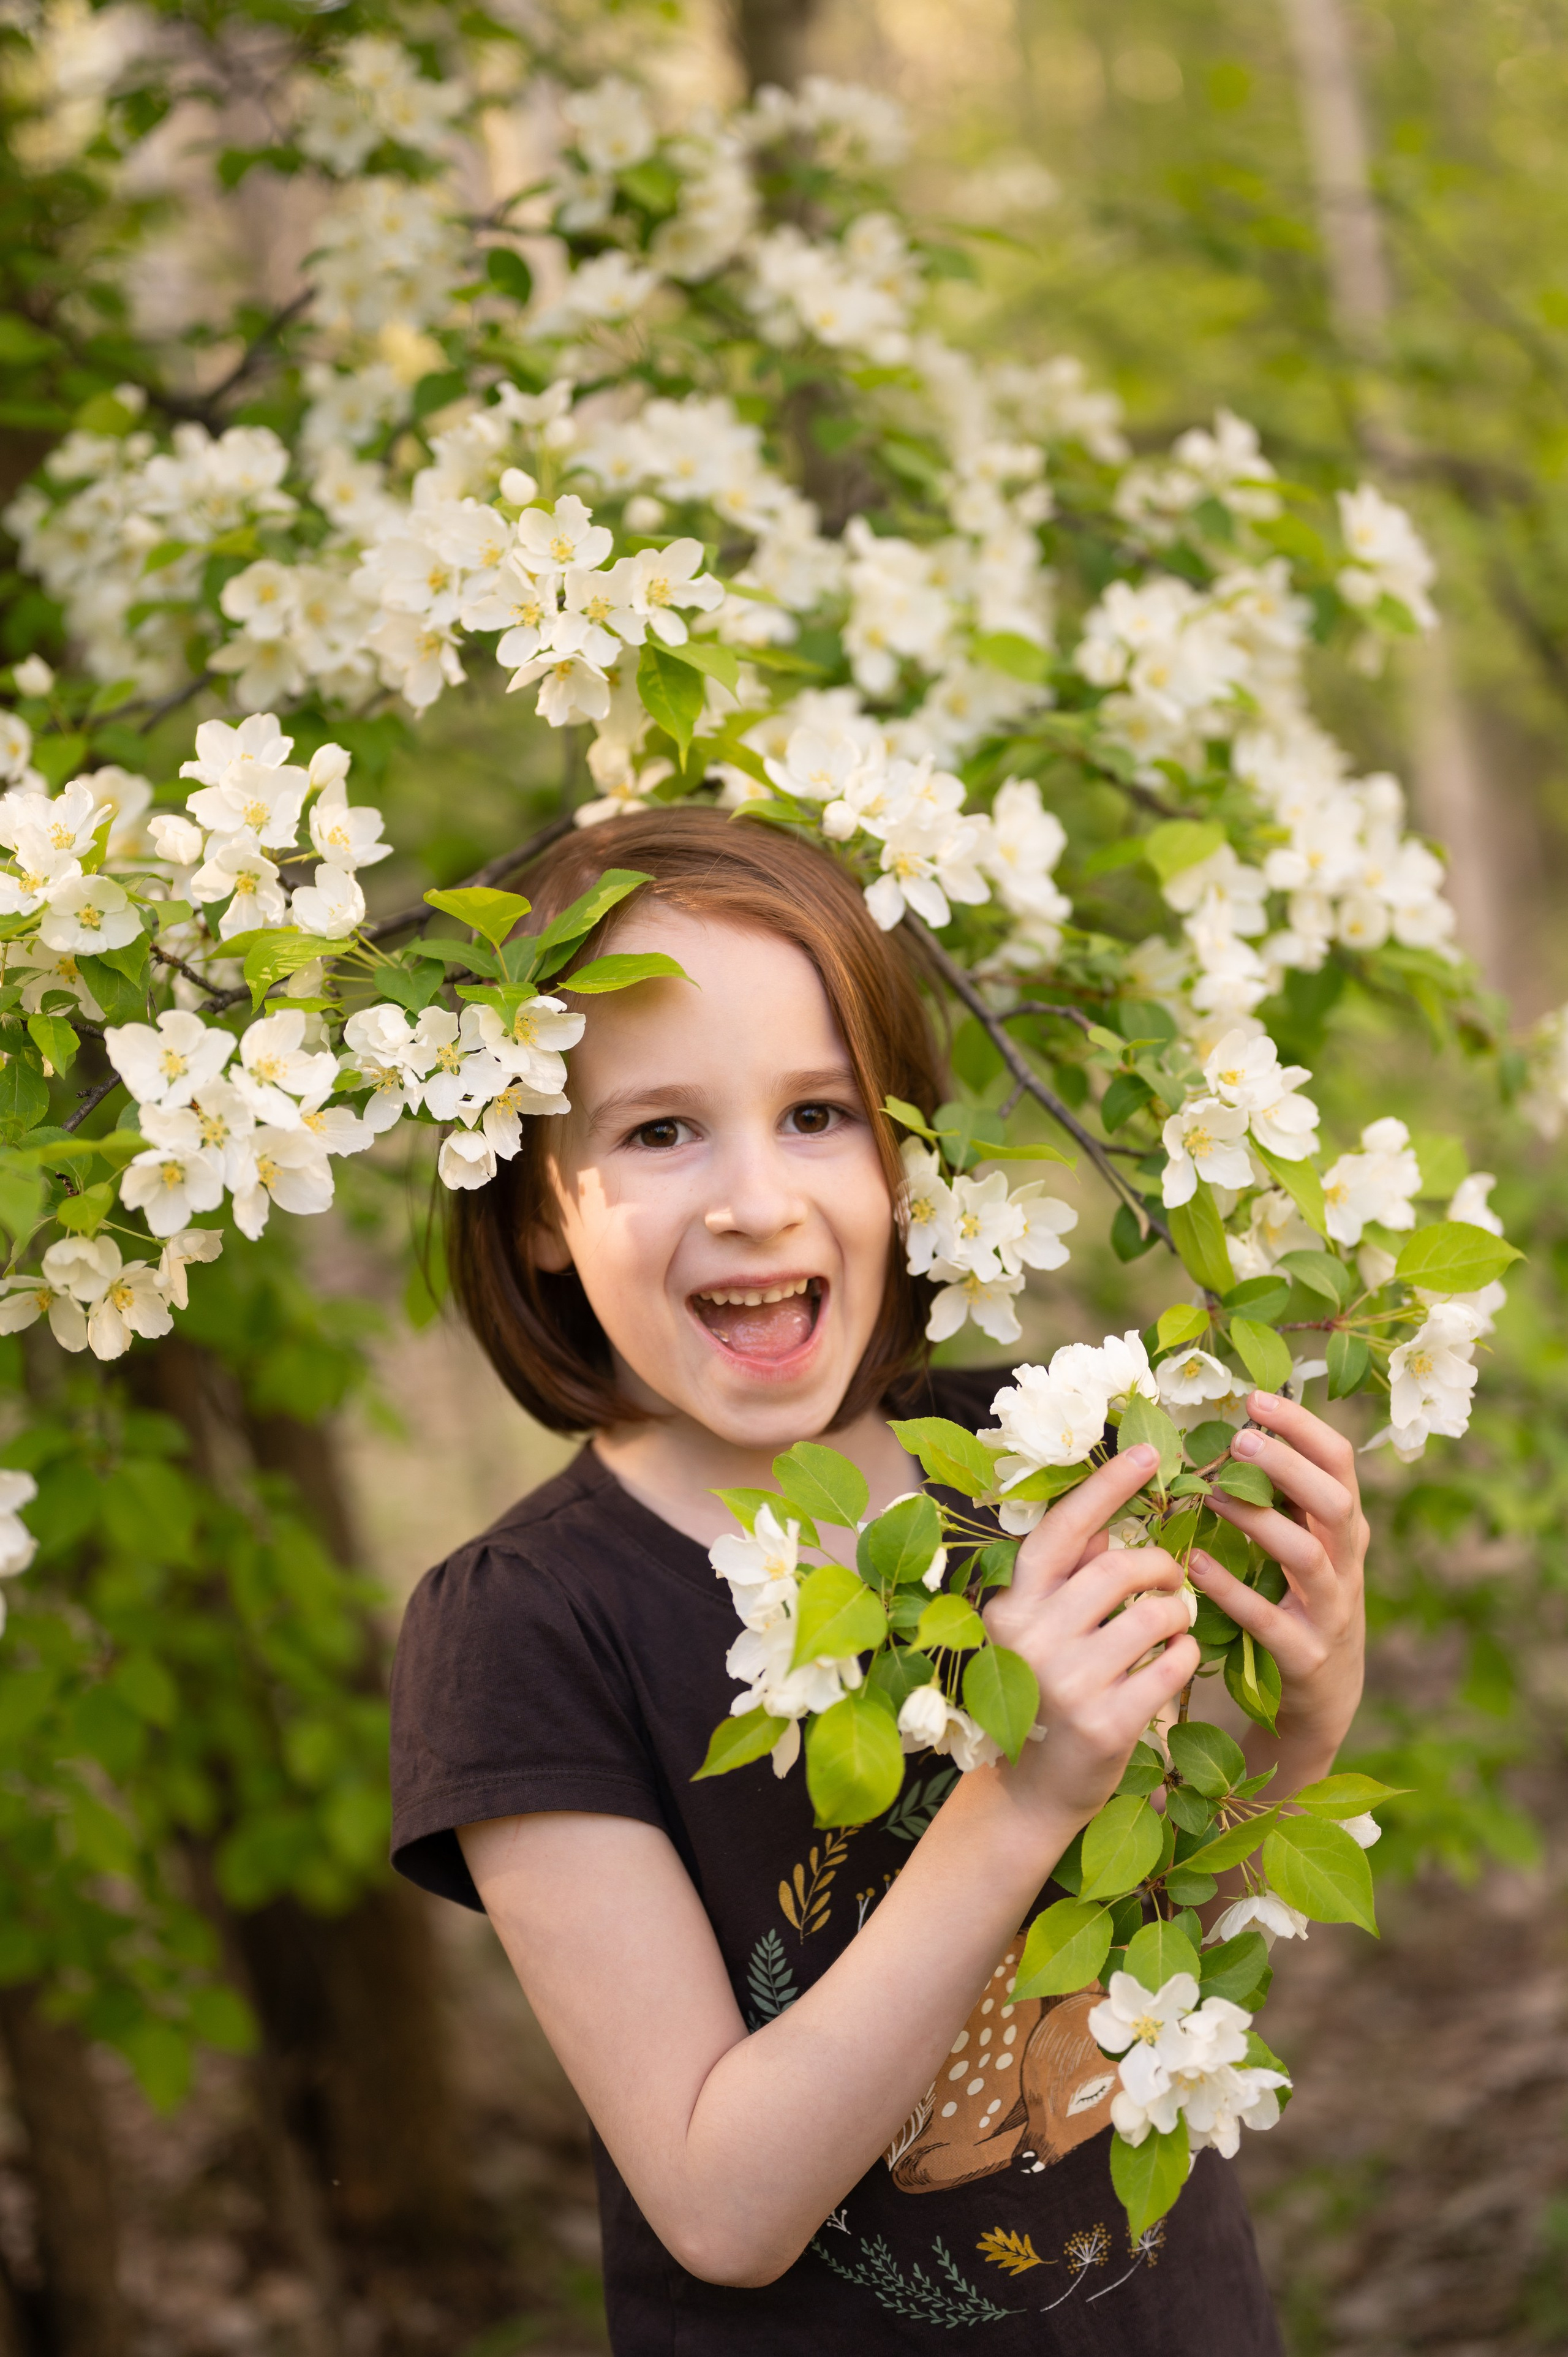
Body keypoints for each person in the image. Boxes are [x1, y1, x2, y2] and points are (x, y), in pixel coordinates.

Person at [388, 807, 1368, 2353]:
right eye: (658, 1132)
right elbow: (721, 2207)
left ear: (905, 1155)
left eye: (817, 1113)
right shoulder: (524, 1624)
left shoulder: (1035, 1458)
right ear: (535, 1209)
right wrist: (1021, 1793)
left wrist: (1297, 1721)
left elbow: (1151, 1926)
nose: (755, 1200)